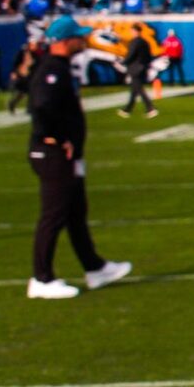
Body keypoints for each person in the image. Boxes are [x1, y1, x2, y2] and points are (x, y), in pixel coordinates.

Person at [24, 15, 132, 301]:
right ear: (65, 41)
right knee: (54, 215)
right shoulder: (52, 70)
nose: (83, 40)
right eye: (78, 36)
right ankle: (41, 277)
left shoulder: (59, 67)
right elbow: (41, 106)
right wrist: (58, 139)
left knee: (75, 214)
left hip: (64, 153)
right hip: (53, 153)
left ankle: (95, 268)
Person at [119, 24, 160, 119]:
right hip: (143, 67)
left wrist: (124, 61)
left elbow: (131, 54)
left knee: (139, 89)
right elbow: (149, 55)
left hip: (135, 67)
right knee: (134, 89)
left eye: (132, 31)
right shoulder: (145, 42)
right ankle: (127, 109)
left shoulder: (135, 42)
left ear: (135, 31)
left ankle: (150, 108)